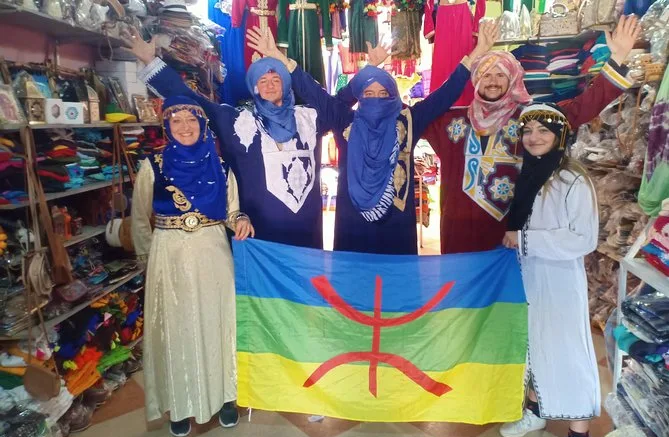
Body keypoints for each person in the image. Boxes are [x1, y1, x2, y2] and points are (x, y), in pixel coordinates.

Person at [246, 21, 499, 254]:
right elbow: (313, 91)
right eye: (368, 93)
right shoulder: (345, 121)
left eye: (383, 94)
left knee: (397, 283)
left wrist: (478, 52)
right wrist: (278, 56)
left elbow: (445, 94)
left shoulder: (409, 121)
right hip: (352, 224)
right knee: (353, 284)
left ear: (393, 97)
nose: (375, 99)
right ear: (359, 98)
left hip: (397, 224)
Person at [123, 28, 370, 248]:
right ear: (254, 87)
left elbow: (334, 107)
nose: (270, 85)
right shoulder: (237, 122)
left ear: (287, 84)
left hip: (306, 239)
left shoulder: (309, 118)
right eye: (263, 80)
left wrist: (284, 61)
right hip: (257, 240)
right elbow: (191, 98)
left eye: (276, 79)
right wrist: (150, 62)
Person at [421, 16, 641, 254]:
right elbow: (413, 117)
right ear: (475, 80)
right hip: (458, 235)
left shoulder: (529, 118)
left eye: (500, 75)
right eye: (486, 75)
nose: (492, 82)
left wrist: (617, 59)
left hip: (509, 234)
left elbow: (580, 109)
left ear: (512, 79)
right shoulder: (450, 121)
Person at [131, 96, 254, 437]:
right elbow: (139, 218)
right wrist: (148, 262)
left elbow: (231, 211)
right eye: (177, 120)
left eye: (191, 120)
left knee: (220, 322)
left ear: (202, 125)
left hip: (212, 253)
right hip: (169, 258)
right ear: (167, 127)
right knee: (176, 328)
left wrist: (241, 220)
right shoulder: (152, 166)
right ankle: (179, 403)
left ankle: (227, 397)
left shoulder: (221, 166)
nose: (185, 127)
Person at [500, 103, 600, 437]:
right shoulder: (530, 174)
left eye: (544, 130)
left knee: (567, 350)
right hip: (529, 275)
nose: (534, 137)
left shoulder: (573, 180)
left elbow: (583, 238)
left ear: (560, 135)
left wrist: (524, 239)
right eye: (527, 131)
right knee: (533, 345)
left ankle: (579, 435)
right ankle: (536, 411)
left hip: (559, 280)